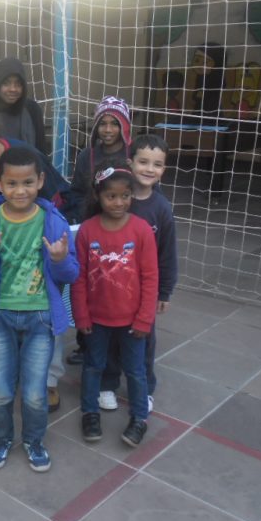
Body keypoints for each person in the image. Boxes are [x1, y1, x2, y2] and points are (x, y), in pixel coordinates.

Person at [0, 90, 77, 411]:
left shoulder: (22, 157)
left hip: (43, 253)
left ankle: (48, 379)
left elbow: (57, 201)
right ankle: (5, 371)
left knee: (47, 312)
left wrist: (57, 253)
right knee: (2, 314)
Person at [0, 147, 79, 472]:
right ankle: (1, 439)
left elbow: (71, 273)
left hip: (41, 317)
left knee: (35, 393)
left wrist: (59, 260)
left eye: (28, 182)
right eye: (11, 183)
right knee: (1, 391)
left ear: (40, 181)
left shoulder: (53, 220)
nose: (20, 190)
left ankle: (34, 441)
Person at [71, 162, 158, 448]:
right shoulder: (87, 231)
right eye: (111, 196)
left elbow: (150, 277)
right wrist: (81, 315)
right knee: (93, 366)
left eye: (125, 195)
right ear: (98, 196)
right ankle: (90, 413)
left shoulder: (142, 230)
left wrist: (145, 319)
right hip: (96, 320)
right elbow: (79, 277)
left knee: (135, 371)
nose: (119, 202)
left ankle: (139, 418)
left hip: (133, 322)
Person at [98, 134, 177, 413]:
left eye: (157, 164)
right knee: (109, 338)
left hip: (144, 290)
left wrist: (164, 291)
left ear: (164, 169)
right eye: (143, 162)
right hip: (112, 284)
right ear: (130, 162)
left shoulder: (161, 208)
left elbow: (167, 253)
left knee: (144, 339)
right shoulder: (117, 198)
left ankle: (144, 388)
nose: (149, 169)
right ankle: (107, 383)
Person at [67, 95, 133, 366]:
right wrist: (78, 220)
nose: (108, 129)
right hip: (92, 229)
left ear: (124, 126)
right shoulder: (87, 156)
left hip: (123, 231)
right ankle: (86, 344)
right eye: (103, 123)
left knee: (119, 286)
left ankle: (121, 346)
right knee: (91, 285)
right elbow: (76, 192)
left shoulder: (132, 155)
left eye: (114, 123)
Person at [0, 57, 49, 156]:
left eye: (18, 84)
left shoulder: (32, 109)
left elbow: (41, 150)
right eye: (6, 83)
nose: (13, 89)